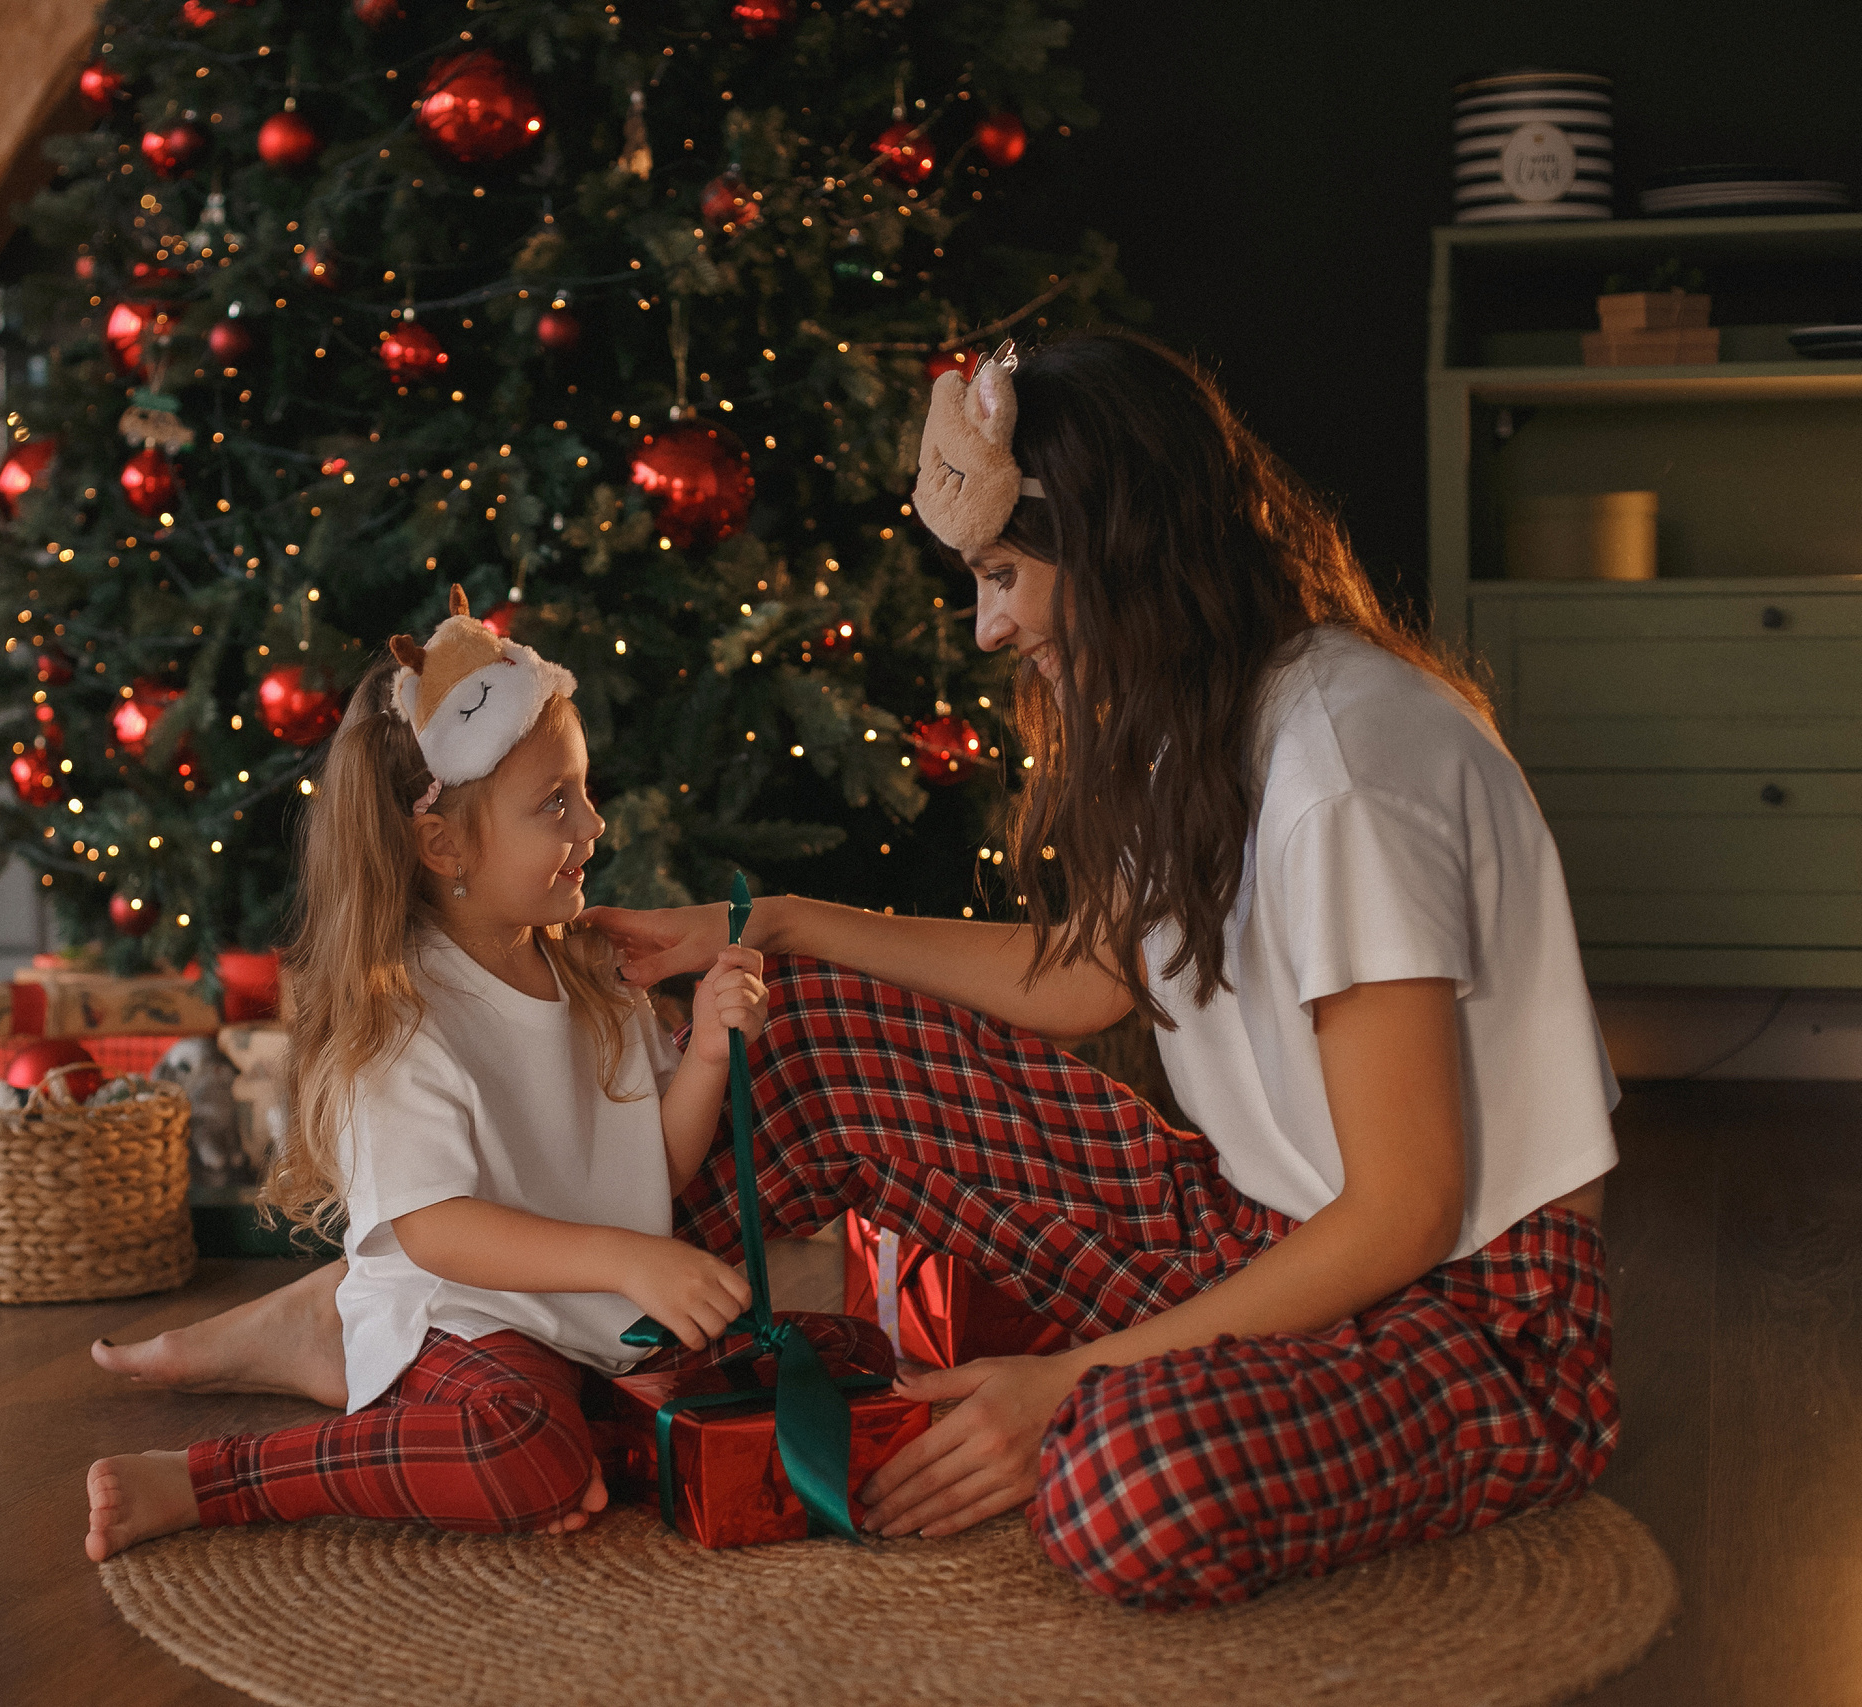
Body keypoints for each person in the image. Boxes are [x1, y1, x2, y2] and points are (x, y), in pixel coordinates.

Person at [101, 331, 1620, 1609]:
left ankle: (440, 1337)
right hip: (1259, 1234)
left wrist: (1071, 1384)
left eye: (1007, 573)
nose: (990, 623)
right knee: (803, 1034)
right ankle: (432, 1315)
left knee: (1124, 1488)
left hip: (1462, 1313)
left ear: (1121, 548)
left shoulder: (1342, 765)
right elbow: (1091, 978)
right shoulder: (1211, 717)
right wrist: (771, 923)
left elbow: (1403, 1212)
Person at [84, 592, 883, 1562]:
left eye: (583, 791)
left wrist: (708, 1050)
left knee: (848, 1356)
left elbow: (656, 1170)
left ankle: (591, 1446)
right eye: (555, 804)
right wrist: (630, 1262)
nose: (592, 822)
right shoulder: (402, 1014)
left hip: (593, 1328)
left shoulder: (591, 975)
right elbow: (437, 1231)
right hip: (461, 1324)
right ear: (444, 845)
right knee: (521, 1449)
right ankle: (214, 1479)